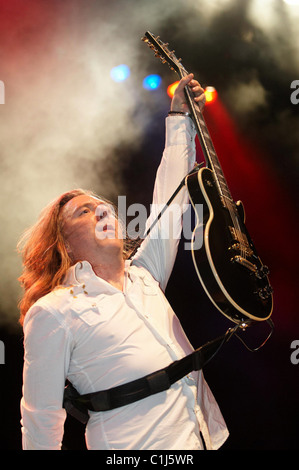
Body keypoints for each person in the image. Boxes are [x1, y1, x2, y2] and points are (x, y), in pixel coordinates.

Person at [18, 73, 229, 450]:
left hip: (204, 439)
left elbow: (171, 202)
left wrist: (180, 119)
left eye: (103, 206)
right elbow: (41, 418)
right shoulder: (54, 311)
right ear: (63, 243)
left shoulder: (145, 275)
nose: (102, 210)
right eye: (84, 211)